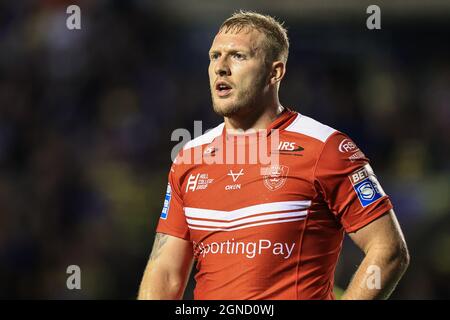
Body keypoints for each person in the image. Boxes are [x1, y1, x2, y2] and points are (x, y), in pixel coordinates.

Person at [138, 11, 409, 300]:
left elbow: (388, 250)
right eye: (214, 56)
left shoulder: (326, 148)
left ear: (275, 72)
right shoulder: (189, 158)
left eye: (238, 56)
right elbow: (165, 272)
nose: (221, 67)